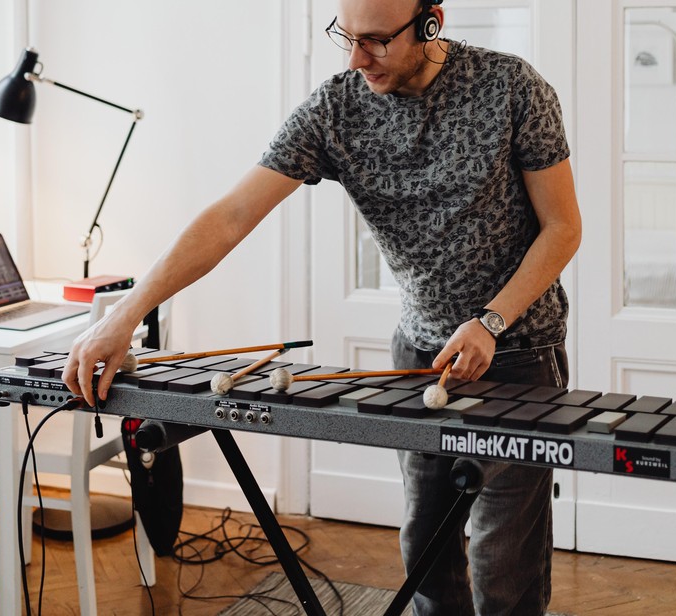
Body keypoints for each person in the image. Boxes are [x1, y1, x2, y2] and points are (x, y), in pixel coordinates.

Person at [63, 0, 580, 613]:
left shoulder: (512, 88)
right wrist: (123, 315)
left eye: (378, 41)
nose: (358, 58)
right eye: (347, 37)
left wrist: (491, 320)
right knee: (425, 554)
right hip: (418, 355)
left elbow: (563, 227)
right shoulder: (336, 108)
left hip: (520, 350)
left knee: (504, 569)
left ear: (431, 21)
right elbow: (230, 217)